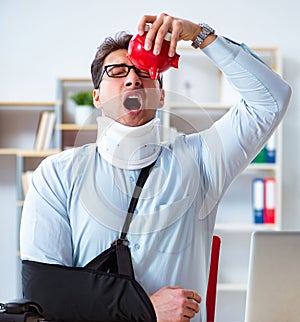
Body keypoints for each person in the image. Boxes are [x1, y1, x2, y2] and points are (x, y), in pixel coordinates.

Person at [20, 13, 291, 322]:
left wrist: (198, 35)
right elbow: (43, 293)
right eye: (117, 71)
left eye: (144, 71)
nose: (133, 79)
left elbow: (270, 100)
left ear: (161, 96)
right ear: (96, 96)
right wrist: (144, 310)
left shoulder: (200, 160)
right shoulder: (56, 175)